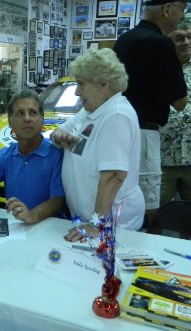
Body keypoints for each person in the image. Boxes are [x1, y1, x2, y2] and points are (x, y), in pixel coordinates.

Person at [51, 48, 145, 242]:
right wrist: (58, 137)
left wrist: (97, 225)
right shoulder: (91, 110)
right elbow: (58, 133)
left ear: (103, 85)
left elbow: (113, 176)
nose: (76, 92)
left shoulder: (115, 116)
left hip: (111, 226)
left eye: (81, 84)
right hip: (88, 221)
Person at [113, 0, 188, 228]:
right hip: (145, 132)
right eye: (180, 12)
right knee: (148, 203)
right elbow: (180, 102)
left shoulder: (124, 40)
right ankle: (144, 250)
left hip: (118, 130)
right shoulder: (160, 44)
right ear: (167, 10)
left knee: (122, 192)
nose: (179, 19)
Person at [0, 89, 65, 224]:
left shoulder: (56, 154)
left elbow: (58, 200)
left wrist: (32, 215)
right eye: (20, 113)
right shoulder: (5, 155)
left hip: (49, 230)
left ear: (42, 119)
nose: (27, 118)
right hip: (17, 228)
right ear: (10, 122)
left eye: (32, 112)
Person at [160, 19, 191, 206]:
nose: (186, 42)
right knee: (153, 214)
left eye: (190, 37)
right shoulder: (157, 68)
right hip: (163, 159)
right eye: (180, 38)